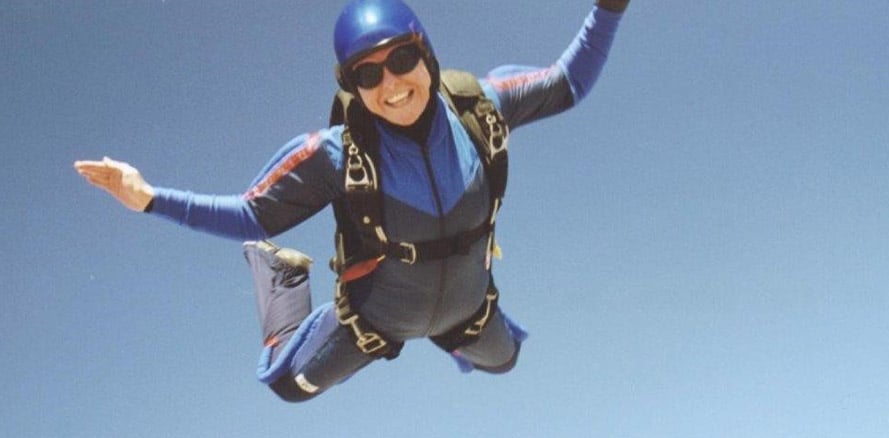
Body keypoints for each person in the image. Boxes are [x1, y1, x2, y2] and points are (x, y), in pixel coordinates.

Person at [74, 0, 630, 402]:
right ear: (352, 86)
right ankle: (283, 280)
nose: (391, 84)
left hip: (467, 311)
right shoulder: (335, 155)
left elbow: (569, 83)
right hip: (375, 319)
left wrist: (609, 9)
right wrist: (149, 198)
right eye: (367, 73)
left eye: (402, 59)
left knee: (505, 362)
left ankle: (449, 333)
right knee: (289, 385)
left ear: (426, 55)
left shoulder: (480, 109)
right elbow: (251, 214)